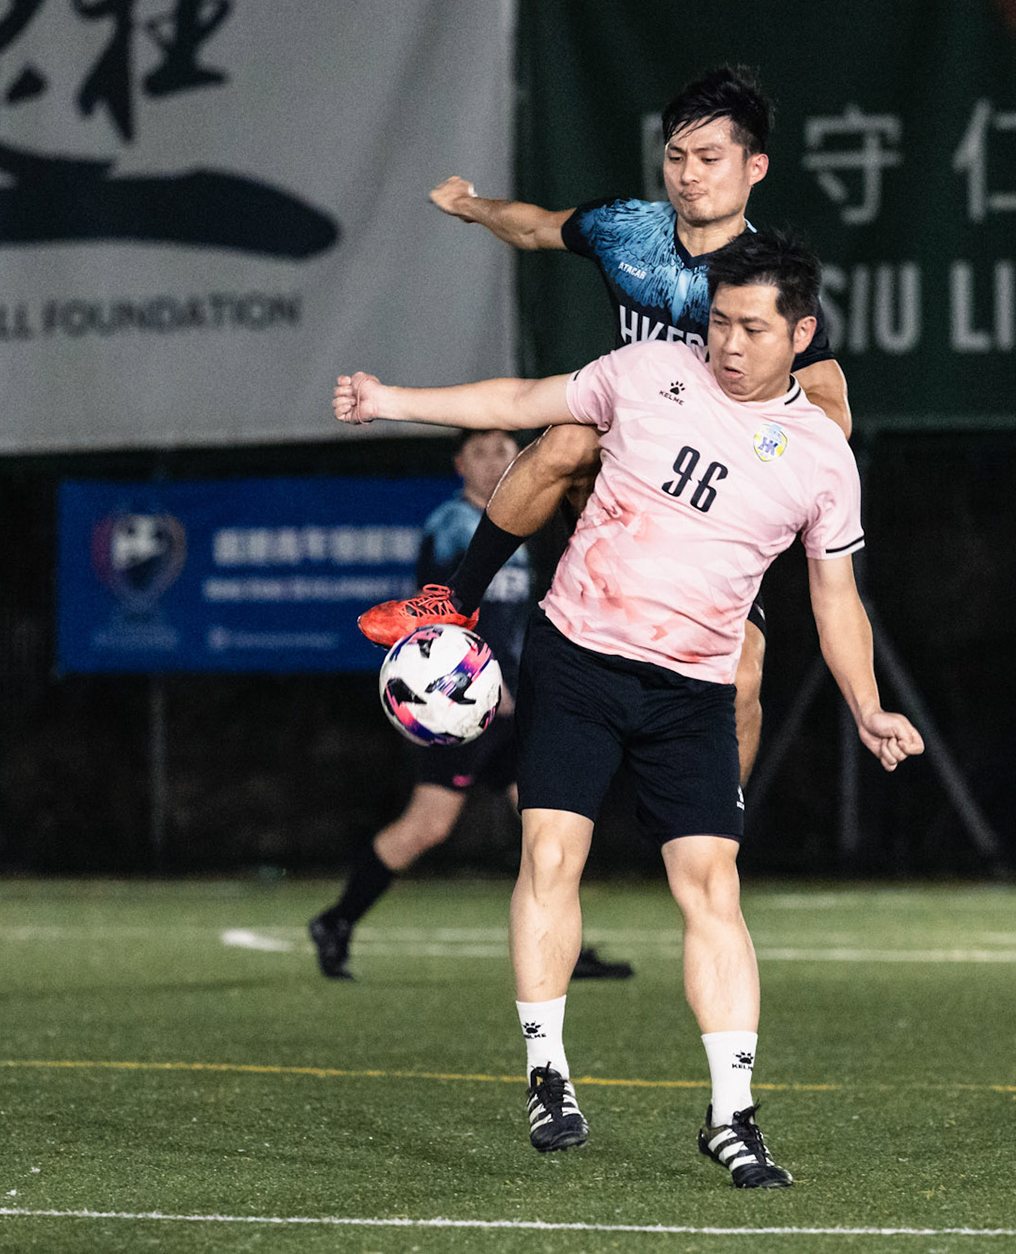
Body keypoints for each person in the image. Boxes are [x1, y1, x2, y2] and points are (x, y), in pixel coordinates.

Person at [334, 231, 923, 1188]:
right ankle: (547, 1072)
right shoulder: (651, 370)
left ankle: (732, 1115)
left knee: (712, 890)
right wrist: (395, 399)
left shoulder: (820, 455)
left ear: (800, 334)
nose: (729, 342)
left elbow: (835, 596)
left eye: (754, 327)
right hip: (577, 661)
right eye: (720, 320)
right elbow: (522, 405)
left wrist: (867, 705)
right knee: (550, 856)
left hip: (691, 691)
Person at [356, 64, 850, 789]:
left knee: (743, 683)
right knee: (569, 433)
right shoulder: (628, 231)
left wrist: (763, 442)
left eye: (709, 159)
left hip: (712, 508)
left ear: (755, 168)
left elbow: (832, 405)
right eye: (676, 156)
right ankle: (456, 599)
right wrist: (470, 205)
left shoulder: (760, 284)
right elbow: (533, 228)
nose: (688, 175)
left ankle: (720, 836)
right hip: (623, 478)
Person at [307, 430, 632, 982]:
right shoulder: (452, 525)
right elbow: (435, 622)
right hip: (462, 709)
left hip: (513, 711)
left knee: (546, 824)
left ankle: (562, 948)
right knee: (427, 826)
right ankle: (337, 920)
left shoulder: (524, 521)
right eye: (479, 452)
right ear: (460, 463)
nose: (492, 462)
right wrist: (478, 682)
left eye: (504, 451)